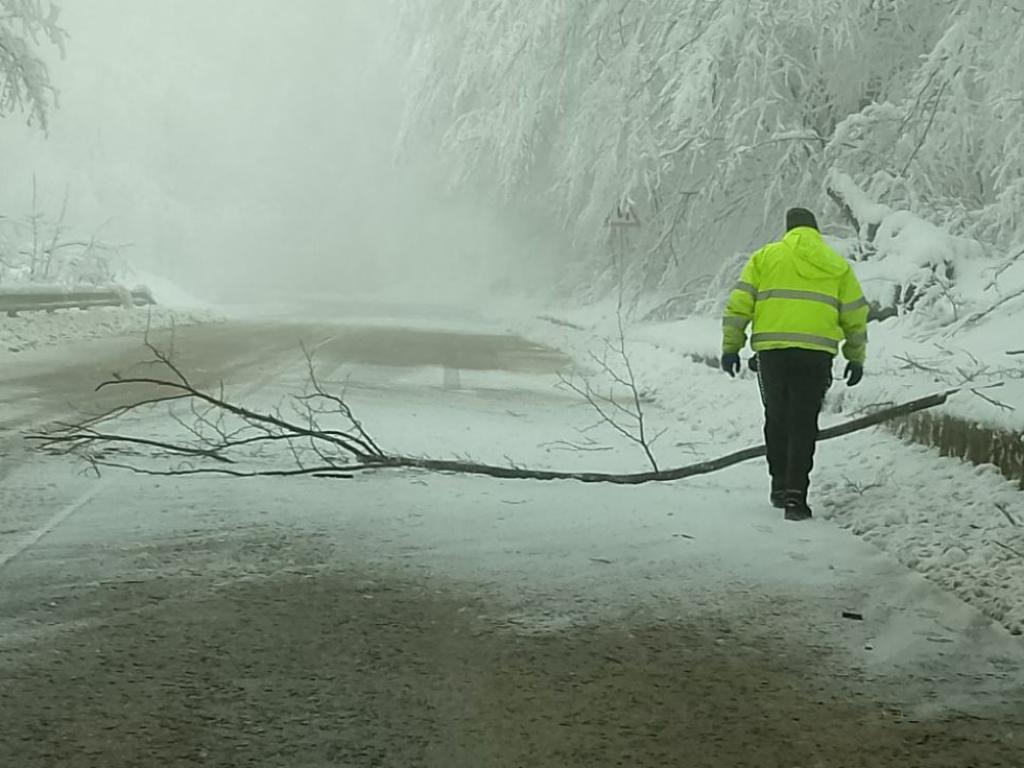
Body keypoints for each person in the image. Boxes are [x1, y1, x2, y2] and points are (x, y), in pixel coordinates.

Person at [720, 207, 868, 521]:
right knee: (804, 422)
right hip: (817, 354)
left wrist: (731, 347)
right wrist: (856, 356)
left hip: (772, 354)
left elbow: (739, 304)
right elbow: (855, 313)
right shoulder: (837, 265)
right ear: (815, 230)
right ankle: (796, 497)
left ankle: (778, 484)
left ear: (787, 229)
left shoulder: (765, 257)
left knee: (777, 417)